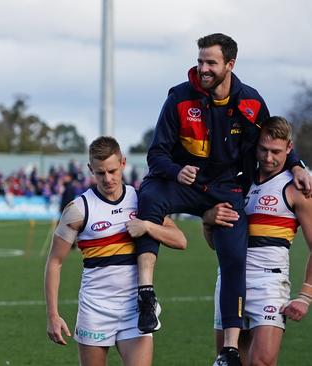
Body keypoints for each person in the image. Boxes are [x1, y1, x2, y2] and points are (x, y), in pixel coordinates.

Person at [133, 33, 311, 365]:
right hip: (187, 184)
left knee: (234, 260)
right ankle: (146, 293)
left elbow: (276, 139)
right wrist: (176, 173)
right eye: (200, 61)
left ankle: (229, 350)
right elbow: (155, 154)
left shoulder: (251, 103)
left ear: (230, 64)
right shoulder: (179, 98)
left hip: (233, 201)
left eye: (211, 62)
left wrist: (298, 164)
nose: (203, 68)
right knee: (150, 195)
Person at [44, 137, 186, 366]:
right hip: (95, 309)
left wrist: (148, 226)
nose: (107, 179)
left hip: (136, 308)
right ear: (91, 169)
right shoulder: (78, 210)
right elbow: (55, 262)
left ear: (123, 163)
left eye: (112, 170)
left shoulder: (142, 200)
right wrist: (53, 315)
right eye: (100, 173)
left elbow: (180, 240)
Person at [202, 116, 312, 366]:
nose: (268, 157)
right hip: (230, 281)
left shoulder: (296, 188)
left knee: (261, 362)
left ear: (289, 149)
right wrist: (208, 220)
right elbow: (214, 243)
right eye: (263, 149)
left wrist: (306, 296)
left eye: (276, 151)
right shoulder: (238, 183)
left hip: (269, 283)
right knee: (229, 362)